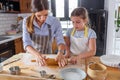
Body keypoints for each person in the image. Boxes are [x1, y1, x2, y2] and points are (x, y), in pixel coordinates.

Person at [22, 0, 67, 67]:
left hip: (47, 56)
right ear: (34, 12)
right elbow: (26, 43)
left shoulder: (55, 21)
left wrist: (60, 52)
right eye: (39, 15)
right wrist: (37, 55)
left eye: (46, 15)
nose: (43, 18)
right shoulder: (26, 21)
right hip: (32, 56)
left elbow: (60, 40)